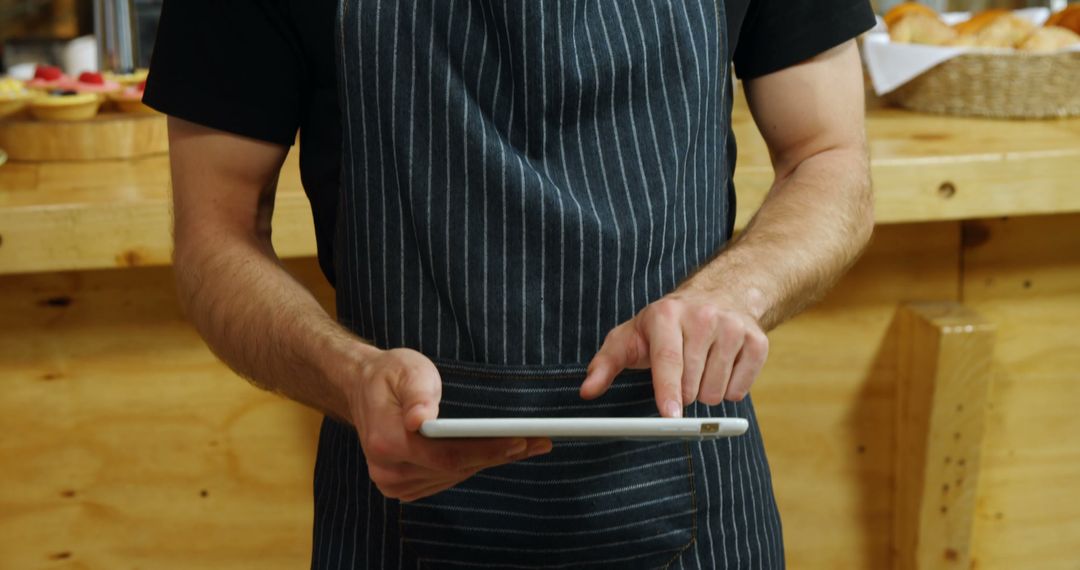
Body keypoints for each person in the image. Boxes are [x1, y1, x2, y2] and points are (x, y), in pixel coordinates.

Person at [146, 0, 875, 567]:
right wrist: (349, 376)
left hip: (688, 498)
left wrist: (734, 294)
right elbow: (216, 235)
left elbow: (828, 157)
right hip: (396, 513)